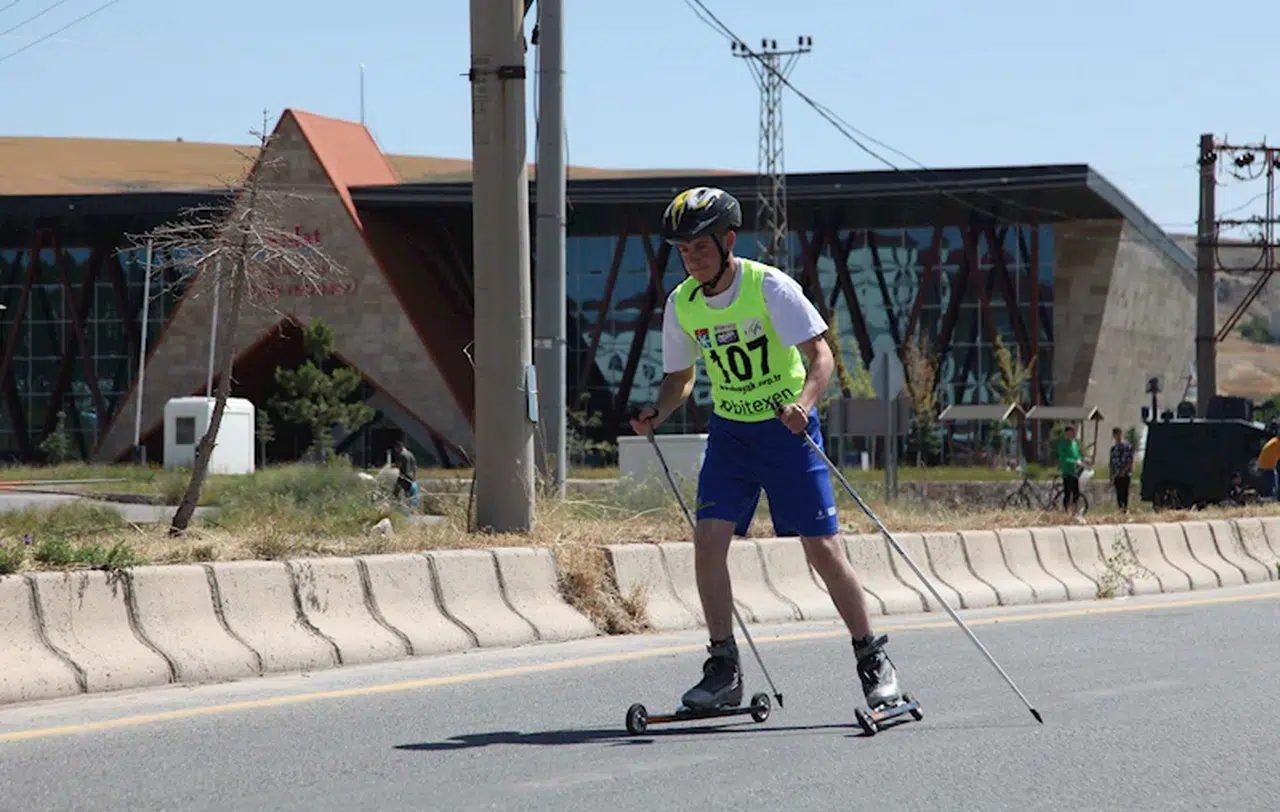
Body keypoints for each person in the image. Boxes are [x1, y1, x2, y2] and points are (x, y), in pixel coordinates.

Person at [628, 186, 907, 714]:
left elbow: (820, 355)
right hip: (731, 435)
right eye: (682, 250)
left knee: (821, 550)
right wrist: (656, 412)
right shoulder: (682, 303)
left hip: (787, 430)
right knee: (708, 544)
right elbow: (680, 377)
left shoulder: (770, 287)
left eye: (701, 248)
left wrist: (804, 401)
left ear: (728, 240)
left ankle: (873, 659)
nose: (690, 258)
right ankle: (723, 669)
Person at [1056, 425, 1083, 514]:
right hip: (1067, 471)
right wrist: (1074, 461)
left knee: (1076, 493)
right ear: (1067, 433)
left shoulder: (1074, 443)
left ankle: (1075, 510)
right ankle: (1065, 511)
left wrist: (1079, 460)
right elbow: (1063, 458)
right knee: (1067, 493)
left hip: (1075, 471)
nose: (1074, 434)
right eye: (1072, 432)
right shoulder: (1063, 444)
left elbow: (1077, 455)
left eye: (1074, 432)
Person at [1108, 427, 1133, 513]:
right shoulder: (1113, 449)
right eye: (1116, 435)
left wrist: (1124, 471)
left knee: (1124, 493)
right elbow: (1111, 463)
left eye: (1119, 434)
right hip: (1116, 475)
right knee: (1118, 494)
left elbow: (1130, 460)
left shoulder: (1127, 447)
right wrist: (1111, 475)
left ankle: (1125, 509)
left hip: (1125, 474)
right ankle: (1120, 509)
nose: (1117, 436)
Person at [391, 439, 419, 506]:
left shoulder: (401, 455)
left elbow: (399, 465)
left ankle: (397, 505)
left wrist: (392, 466)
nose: (395, 451)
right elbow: (414, 467)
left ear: (398, 447)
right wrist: (414, 477)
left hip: (403, 477)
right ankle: (410, 506)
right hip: (411, 477)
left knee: (395, 492)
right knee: (409, 493)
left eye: (396, 449)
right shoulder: (410, 454)